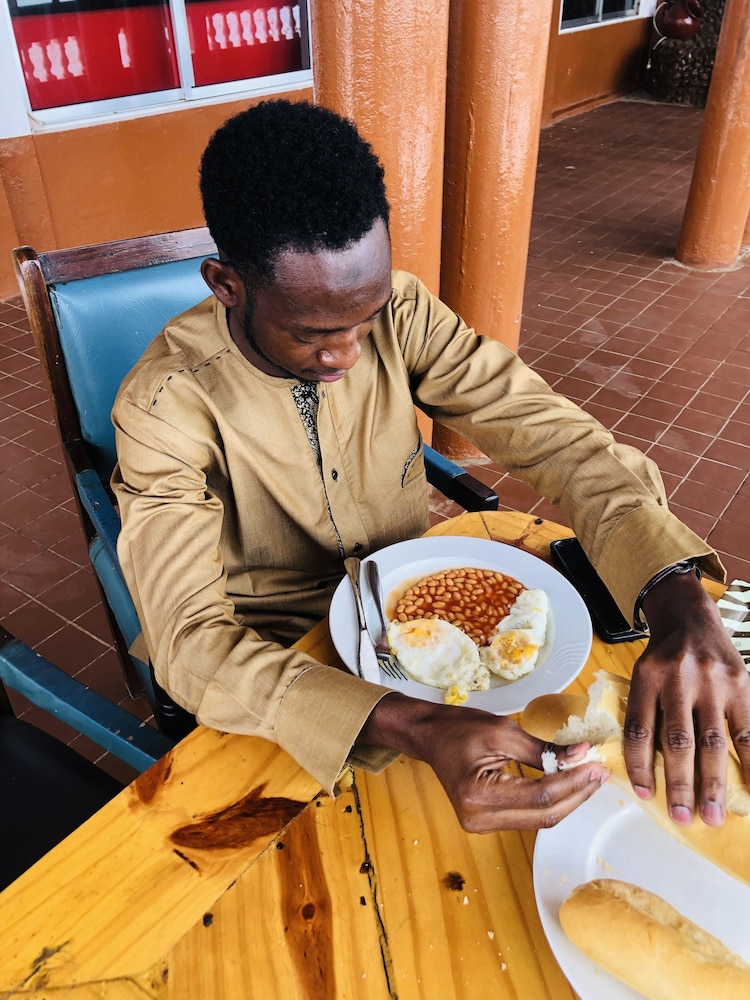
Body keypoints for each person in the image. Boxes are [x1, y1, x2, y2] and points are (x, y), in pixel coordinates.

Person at [112, 99, 749, 833]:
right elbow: (190, 641)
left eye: (366, 319)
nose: (349, 355)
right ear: (225, 284)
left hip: (424, 622)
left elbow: (560, 440)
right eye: (315, 334)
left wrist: (676, 595)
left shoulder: (404, 312)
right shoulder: (164, 405)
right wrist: (412, 723)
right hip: (278, 671)